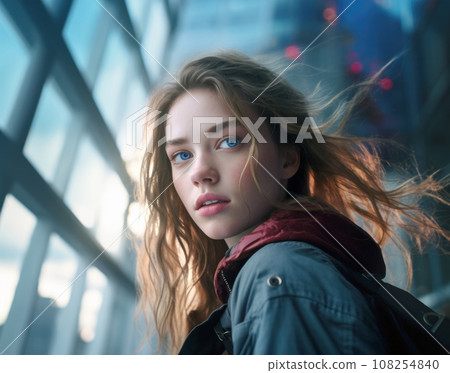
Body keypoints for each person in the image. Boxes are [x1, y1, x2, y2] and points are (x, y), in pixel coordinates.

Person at [136, 51, 450, 354]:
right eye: (182, 155)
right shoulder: (273, 274)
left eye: (229, 141)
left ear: (287, 158)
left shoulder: (282, 277)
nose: (199, 171)